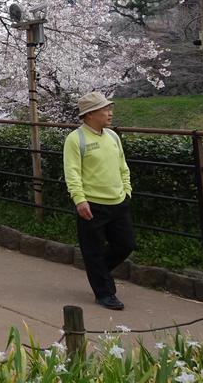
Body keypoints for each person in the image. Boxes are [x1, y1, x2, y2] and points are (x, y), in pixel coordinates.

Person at [63, 91, 134, 311]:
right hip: (91, 205)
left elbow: (123, 166)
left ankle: (98, 272)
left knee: (126, 245)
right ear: (91, 114)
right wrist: (79, 200)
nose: (110, 113)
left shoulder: (112, 136)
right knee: (93, 250)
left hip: (118, 201)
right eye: (105, 109)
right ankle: (105, 293)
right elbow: (72, 173)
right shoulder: (76, 139)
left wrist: (127, 190)